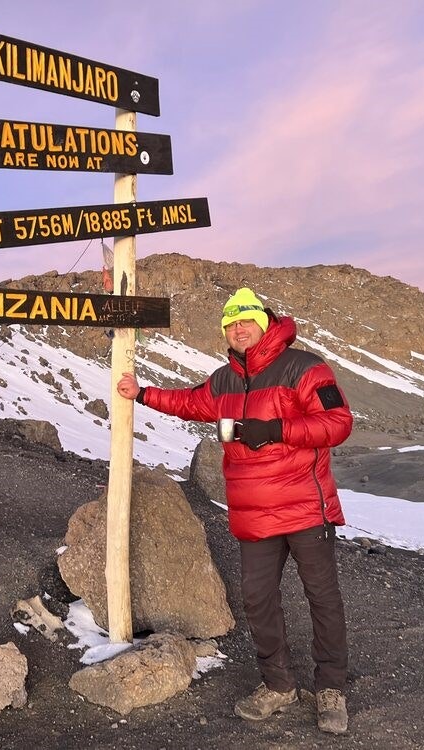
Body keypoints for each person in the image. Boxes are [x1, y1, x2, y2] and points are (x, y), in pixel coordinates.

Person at [116, 287, 354, 735]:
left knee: (322, 598)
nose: (238, 329)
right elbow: (190, 402)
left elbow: (338, 423)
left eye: (245, 321)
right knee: (257, 600)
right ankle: (278, 685)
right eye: (230, 323)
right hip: (253, 513)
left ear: (263, 324)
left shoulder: (304, 368)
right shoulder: (224, 379)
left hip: (305, 506)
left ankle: (330, 689)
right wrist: (142, 393)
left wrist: (275, 429)